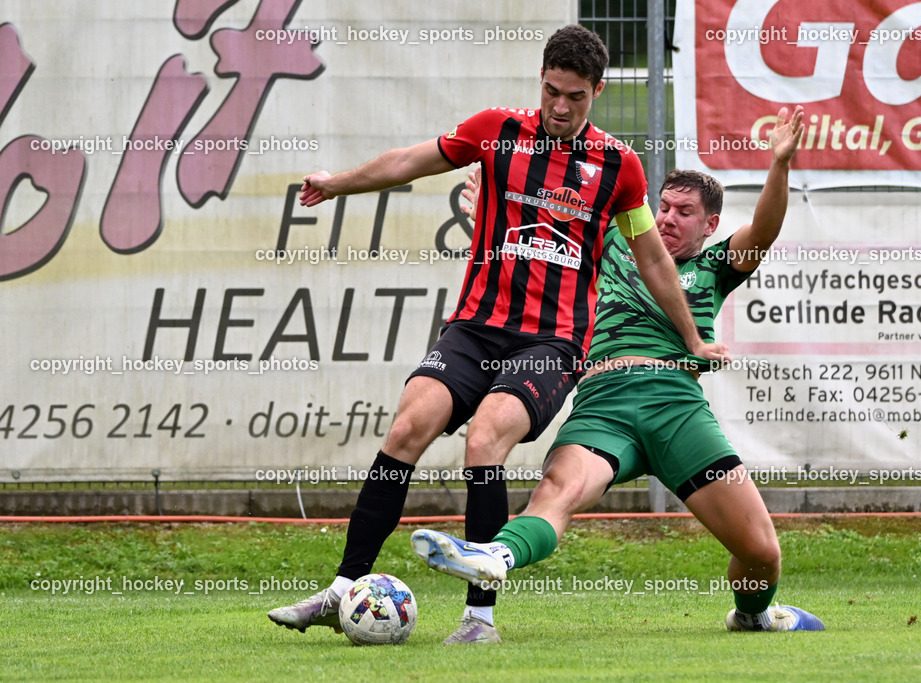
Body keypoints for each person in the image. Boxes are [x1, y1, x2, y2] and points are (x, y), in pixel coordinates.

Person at [268, 24, 728, 645]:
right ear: (541, 80)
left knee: (486, 437)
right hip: (476, 328)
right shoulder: (495, 130)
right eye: (551, 91)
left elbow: (652, 259)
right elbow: (410, 160)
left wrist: (694, 343)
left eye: (575, 96)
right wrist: (338, 182)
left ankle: (478, 617)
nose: (560, 107)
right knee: (407, 427)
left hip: (552, 342)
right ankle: (344, 588)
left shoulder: (619, 167)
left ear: (596, 92)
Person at [412, 106, 826, 634]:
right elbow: (544, 238)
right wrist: (494, 212)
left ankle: (753, 615)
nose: (668, 218)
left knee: (761, 551)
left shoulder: (714, 267)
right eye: (664, 207)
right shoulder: (614, 244)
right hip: (603, 402)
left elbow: (764, 231)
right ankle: (495, 557)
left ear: (711, 224)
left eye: (684, 212)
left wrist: (780, 166)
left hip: (676, 408)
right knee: (558, 493)